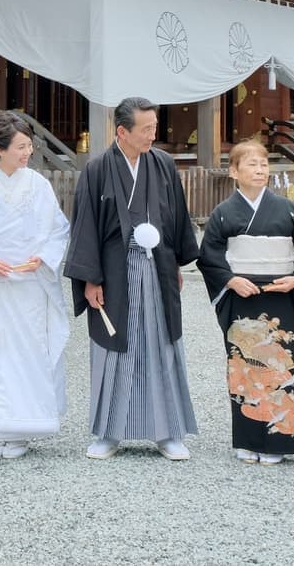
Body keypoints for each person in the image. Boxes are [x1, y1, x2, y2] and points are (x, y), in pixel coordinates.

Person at [62, 97, 198, 461]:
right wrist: (90, 280)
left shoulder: (164, 164)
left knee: (160, 345)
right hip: (114, 270)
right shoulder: (97, 169)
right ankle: (109, 432)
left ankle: (168, 432)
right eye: (146, 129)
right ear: (122, 131)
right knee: (114, 349)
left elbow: (178, 217)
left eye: (155, 127)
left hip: (157, 268)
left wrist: (176, 266)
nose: (154, 134)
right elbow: (85, 225)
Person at [198, 140, 294, 465]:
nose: (260, 170)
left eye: (264, 164)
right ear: (234, 171)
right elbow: (209, 256)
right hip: (242, 300)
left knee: (281, 366)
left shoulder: (287, 208)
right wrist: (230, 279)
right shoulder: (224, 213)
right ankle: (248, 439)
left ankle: (280, 442)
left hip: (282, 297)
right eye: (251, 164)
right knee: (245, 367)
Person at [0, 112, 70, 459]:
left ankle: (23, 426)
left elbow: (58, 229)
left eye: (29, 146)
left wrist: (44, 257)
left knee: (30, 352)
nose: (26, 153)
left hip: (30, 285)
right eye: (20, 147)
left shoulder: (38, 185)